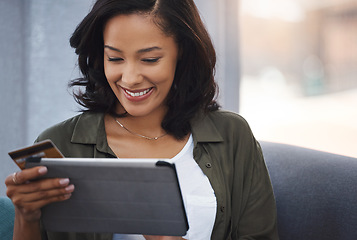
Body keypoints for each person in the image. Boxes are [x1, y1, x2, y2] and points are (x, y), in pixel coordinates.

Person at [5, 0, 279, 239]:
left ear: (181, 52)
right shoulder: (60, 144)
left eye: (149, 59)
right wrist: (26, 217)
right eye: (115, 58)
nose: (130, 78)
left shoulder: (232, 135)